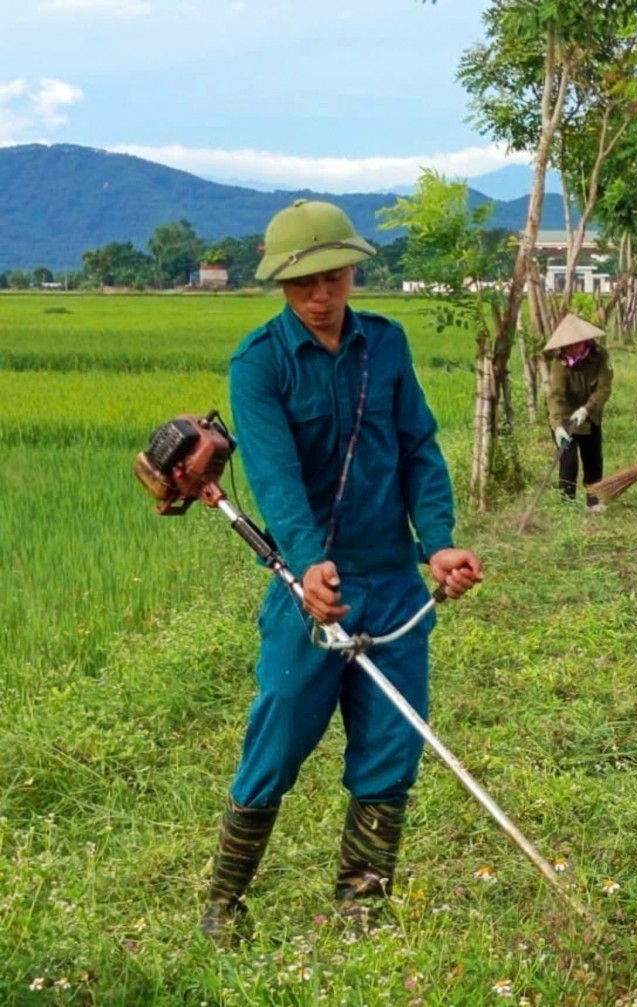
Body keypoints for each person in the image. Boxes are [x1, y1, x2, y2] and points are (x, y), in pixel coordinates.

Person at [208, 199, 484, 944]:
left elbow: (419, 448)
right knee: (279, 734)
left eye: (332, 278)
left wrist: (440, 543)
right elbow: (273, 475)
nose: (320, 297)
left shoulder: (385, 347)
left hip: (392, 577)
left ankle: (362, 902)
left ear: (353, 269)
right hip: (311, 590)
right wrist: (307, 566)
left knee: (392, 741)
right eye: (302, 285)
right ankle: (224, 902)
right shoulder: (259, 364)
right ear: (281, 286)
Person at [545, 314, 613, 510]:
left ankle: (594, 500)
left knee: (593, 458)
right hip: (565, 416)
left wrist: (587, 409)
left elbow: (604, 388)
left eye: (577, 344)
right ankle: (567, 504)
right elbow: (556, 396)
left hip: (590, 414)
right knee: (568, 460)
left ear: (585, 341)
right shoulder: (560, 363)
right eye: (569, 345)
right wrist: (558, 426)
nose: (573, 348)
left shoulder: (600, 356)